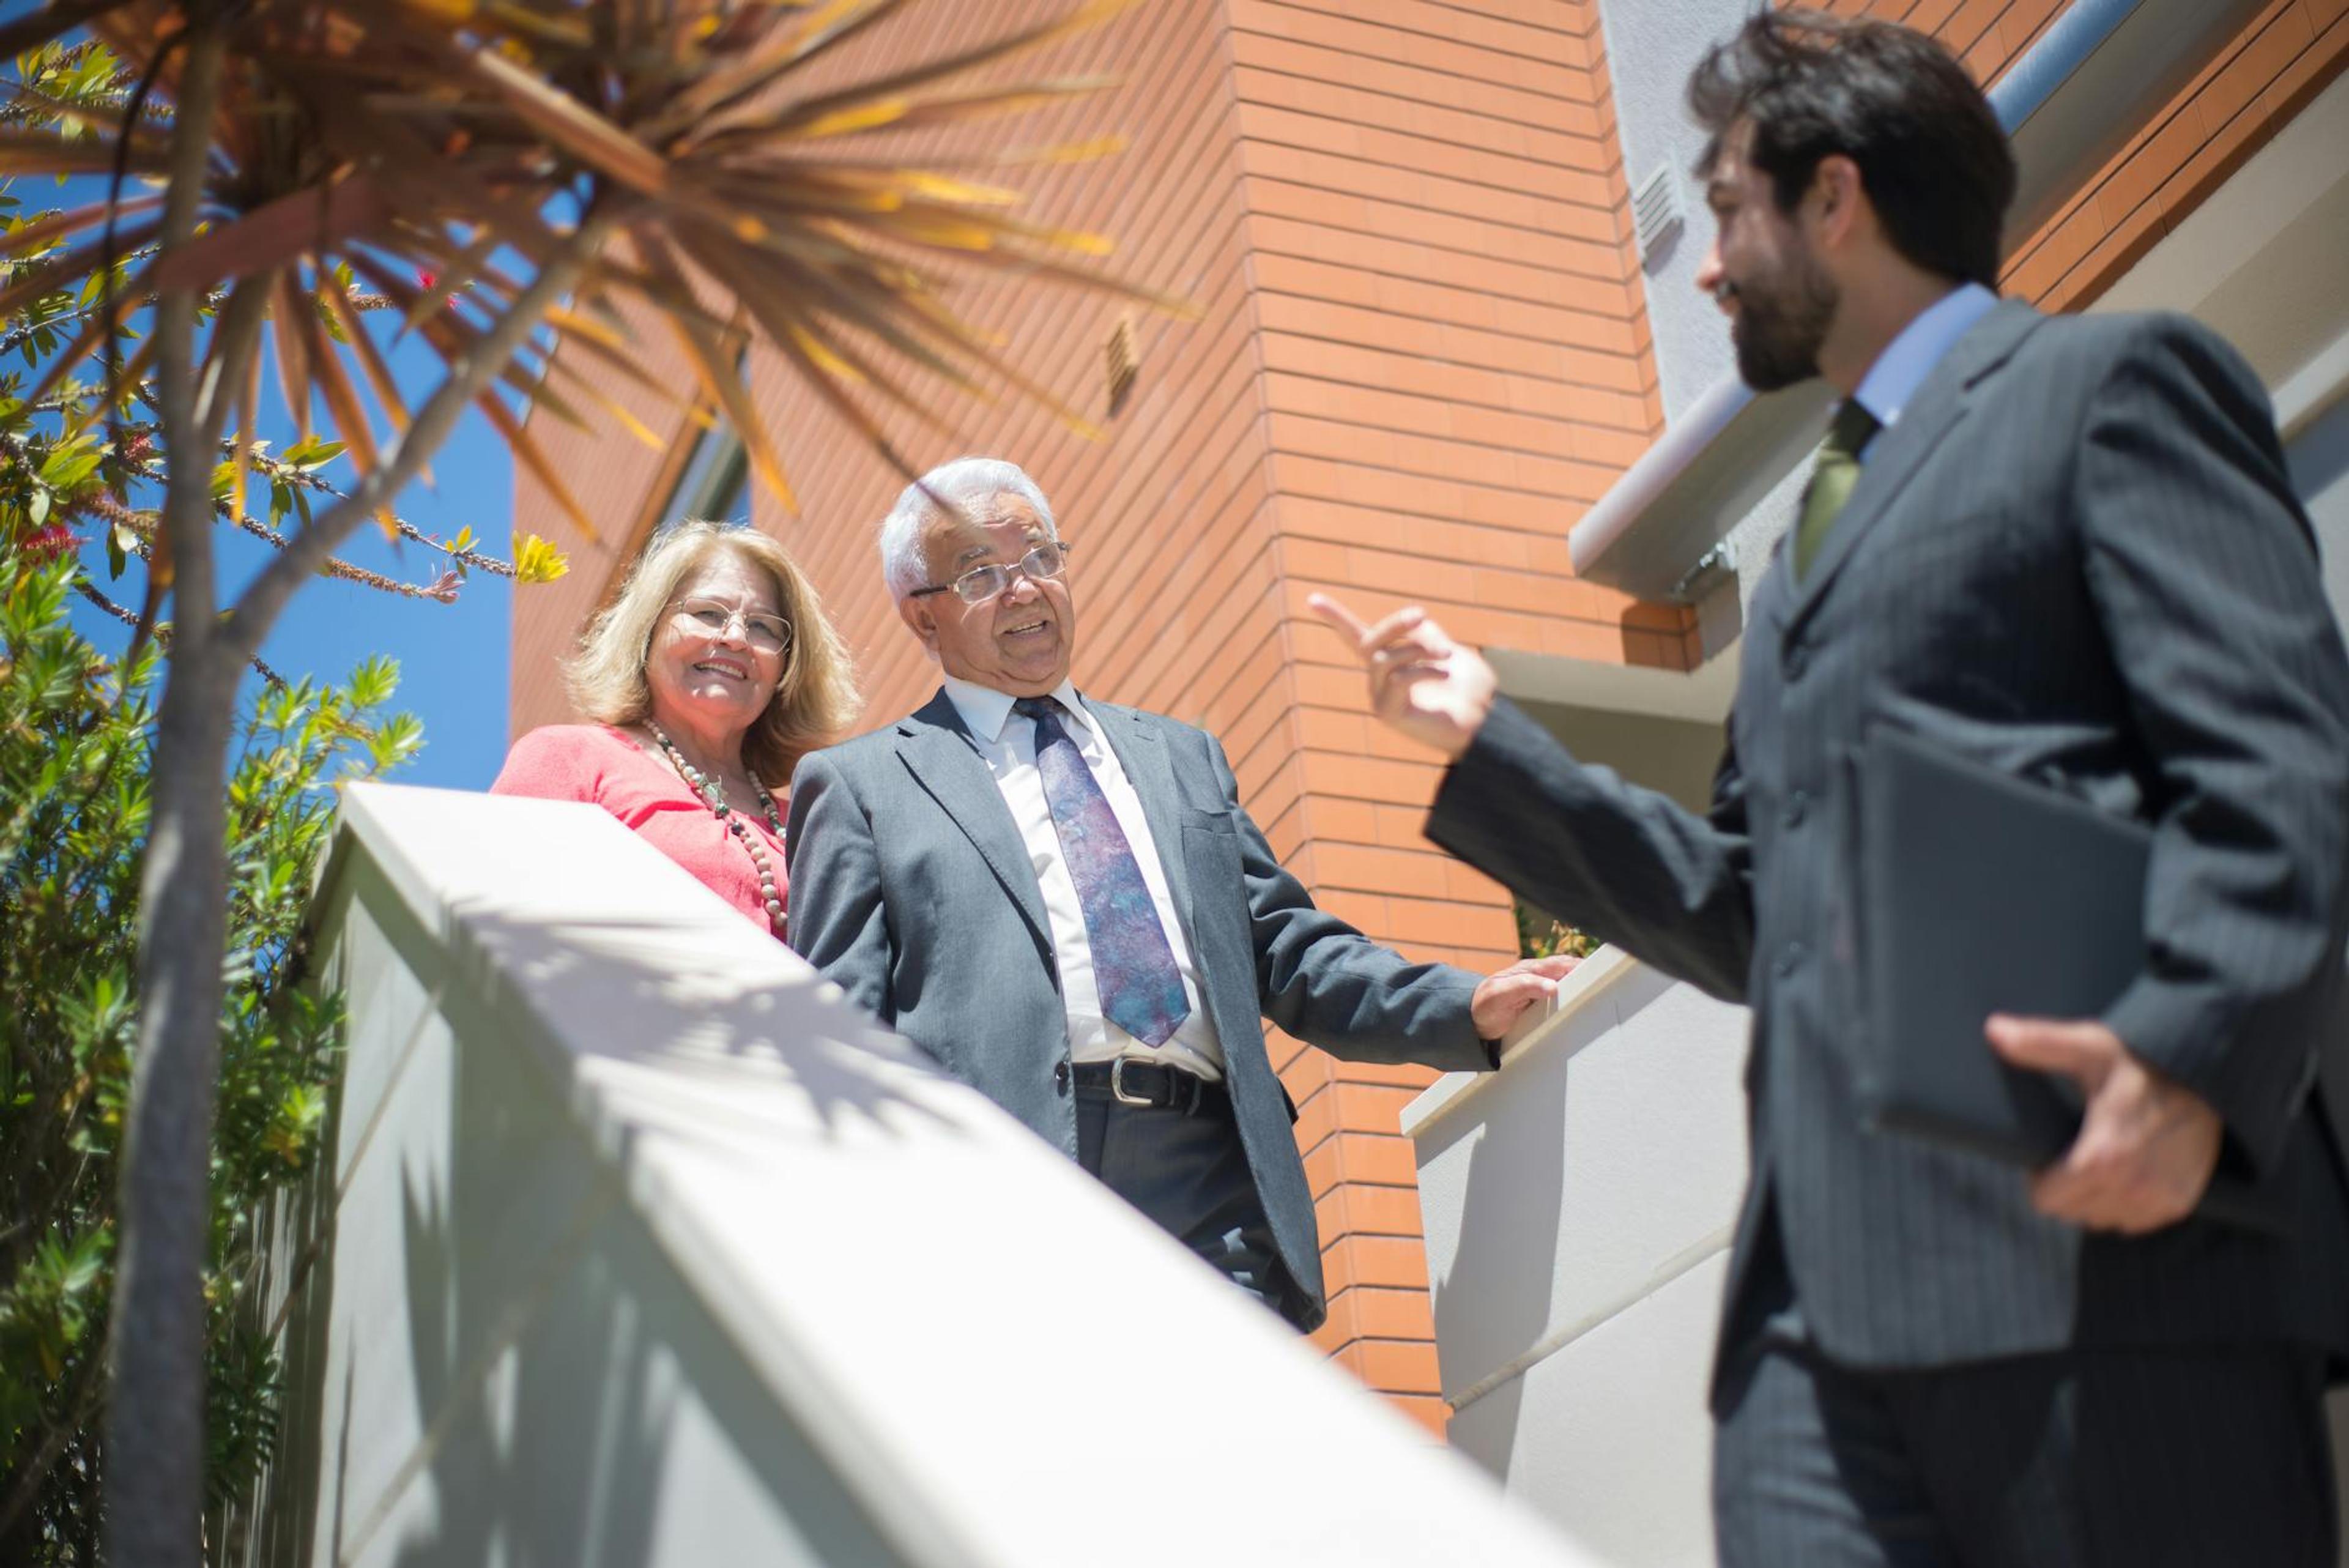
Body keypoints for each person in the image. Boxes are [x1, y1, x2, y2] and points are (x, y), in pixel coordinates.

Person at [1313, 12, 2349, 1567]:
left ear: (1835, 198)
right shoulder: (1796, 563)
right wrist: (1488, 746)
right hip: (1813, 1328)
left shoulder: (2108, 384)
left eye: (1725, 207)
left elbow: (2279, 762)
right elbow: (1751, 908)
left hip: (2101, 1249)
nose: (1711, 263)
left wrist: (2190, 1058)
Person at [784, 455, 1575, 1330]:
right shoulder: (861, 785)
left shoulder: (1179, 755)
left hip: (1210, 1176)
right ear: (920, 613)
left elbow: (1290, 948)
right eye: (980, 574)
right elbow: (838, 1034)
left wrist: (1463, 1005)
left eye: (1040, 556)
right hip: (1003, 1188)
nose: (1023, 589)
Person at [493, 519, 858, 939]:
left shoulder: (810, 823)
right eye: (707, 613)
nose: (737, 637)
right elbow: (491, 928)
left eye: (763, 626)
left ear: (786, 667)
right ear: (649, 631)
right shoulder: (569, 760)